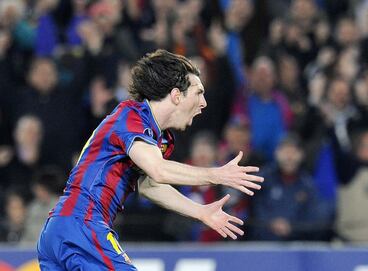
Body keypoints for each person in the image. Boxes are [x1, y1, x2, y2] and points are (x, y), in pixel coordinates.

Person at [37, 49, 263, 270]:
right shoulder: (132, 116)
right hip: (82, 225)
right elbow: (159, 170)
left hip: (61, 229)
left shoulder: (156, 137)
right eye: (198, 92)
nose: (204, 103)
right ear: (176, 95)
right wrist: (216, 174)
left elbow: (150, 186)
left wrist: (200, 211)